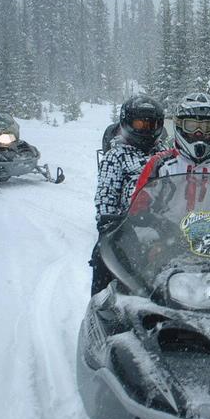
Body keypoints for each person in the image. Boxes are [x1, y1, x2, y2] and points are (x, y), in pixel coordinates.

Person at [91, 94, 166, 295]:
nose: (147, 129)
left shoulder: (164, 153)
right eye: (140, 124)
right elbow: (106, 195)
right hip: (127, 225)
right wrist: (109, 226)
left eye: (152, 124)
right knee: (102, 257)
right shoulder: (116, 156)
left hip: (165, 225)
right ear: (127, 123)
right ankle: (99, 304)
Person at [130, 92, 210, 215]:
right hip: (165, 233)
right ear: (180, 126)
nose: (199, 133)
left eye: (206, 127)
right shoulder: (159, 165)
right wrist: (157, 227)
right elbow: (137, 213)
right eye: (191, 126)